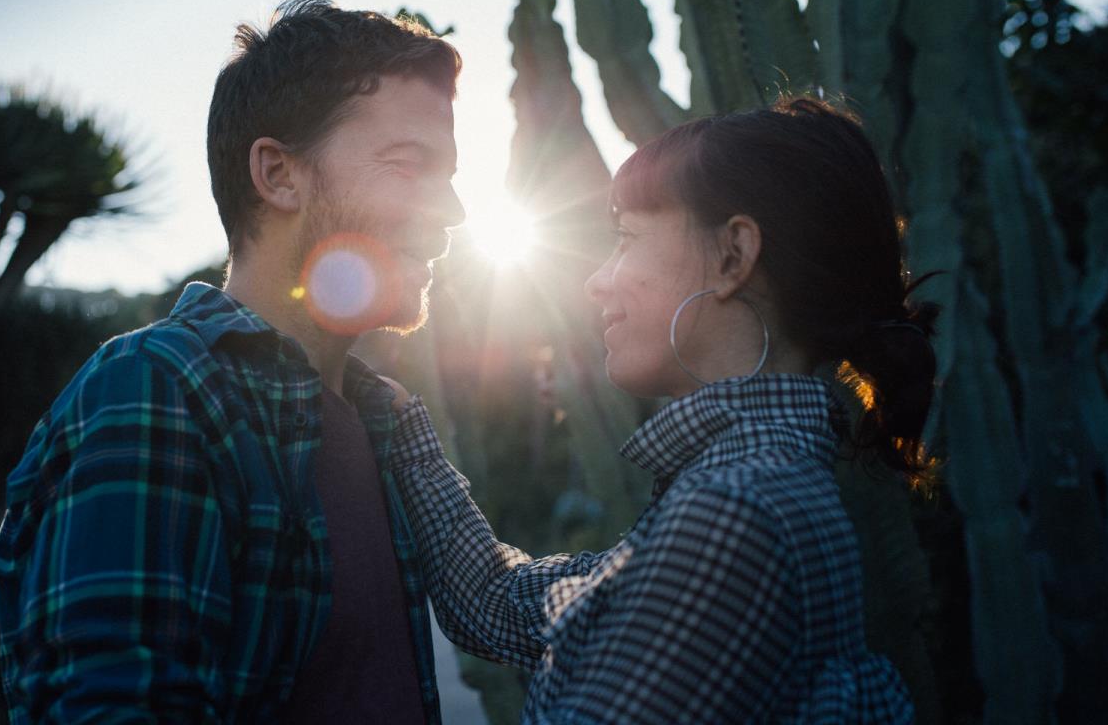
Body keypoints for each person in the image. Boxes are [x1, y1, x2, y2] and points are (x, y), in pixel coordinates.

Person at [0, 0, 464, 723]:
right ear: (278, 174)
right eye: (409, 166)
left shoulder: (385, 420)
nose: (455, 211)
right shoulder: (155, 389)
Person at [386, 97, 934, 723]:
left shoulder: (734, 510)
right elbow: (500, 606)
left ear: (733, 257)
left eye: (625, 240)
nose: (598, 281)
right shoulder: (749, 485)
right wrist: (404, 428)